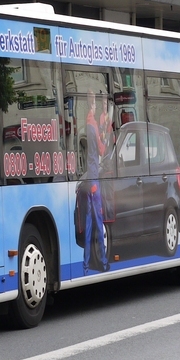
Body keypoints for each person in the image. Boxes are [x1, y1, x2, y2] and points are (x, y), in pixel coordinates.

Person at [83, 91, 110, 273]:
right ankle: (103, 261)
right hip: (94, 179)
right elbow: (101, 150)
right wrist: (106, 138)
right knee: (98, 221)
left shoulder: (87, 122)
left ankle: (85, 264)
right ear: (93, 104)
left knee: (88, 223)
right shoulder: (93, 125)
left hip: (88, 177)